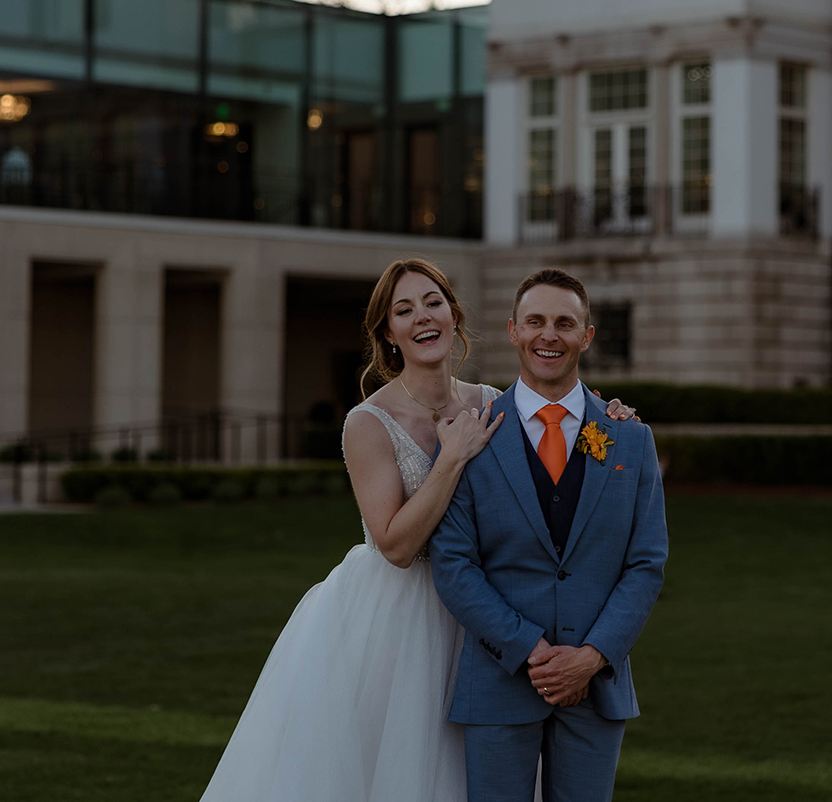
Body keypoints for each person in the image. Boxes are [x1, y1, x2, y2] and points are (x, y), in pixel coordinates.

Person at [197, 258, 637, 802]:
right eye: (404, 310)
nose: (422, 318)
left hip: (489, 614)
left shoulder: (493, 404)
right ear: (388, 331)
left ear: (453, 315)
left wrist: (608, 417)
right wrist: (451, 457)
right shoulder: (367, 423)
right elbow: (396, 545)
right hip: (399, 619)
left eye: (432, 303)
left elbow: (556, 436)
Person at [431, 267, 668, 802]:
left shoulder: (629, 438)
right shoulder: (472, 437)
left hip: (596, 685)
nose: (549, 335)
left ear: (586, 336)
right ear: (514, 330)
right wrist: (530, 649)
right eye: (535, 321)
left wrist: (592, 655)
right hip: (499, 680)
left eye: (565, 323)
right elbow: (454, 563)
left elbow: (646, 562)